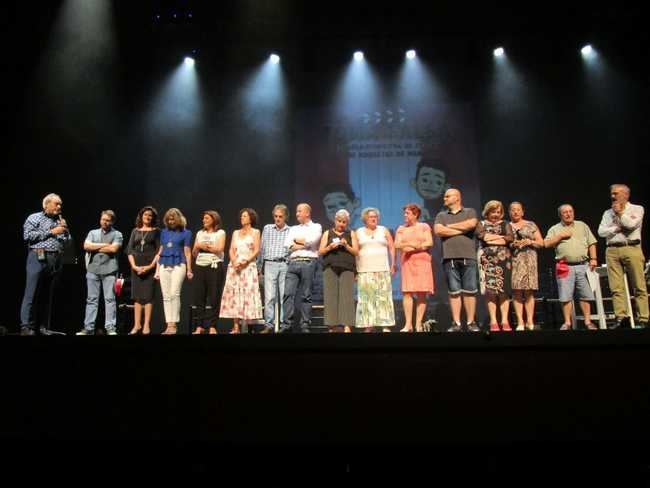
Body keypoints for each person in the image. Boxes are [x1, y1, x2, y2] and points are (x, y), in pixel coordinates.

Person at [597, 184, 648, 328]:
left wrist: (620, 214)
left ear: (626, 195)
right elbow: (601, 232)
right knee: (616, 287)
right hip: (612, 250)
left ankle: (643, 319)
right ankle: (621, 318)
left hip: (631, 248)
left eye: (616, 193)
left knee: (639, 285)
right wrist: (615, 228)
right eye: (612, 194)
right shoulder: (607, 213)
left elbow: (631, 225)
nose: (613, 196)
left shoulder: (637, 209)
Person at [20, 193, 70, 335]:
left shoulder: (60, 221)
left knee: (47, 295)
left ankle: (42, 327)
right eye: (56, 204)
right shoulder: (34, 217)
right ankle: (26, 327)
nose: (59, 207)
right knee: (31, 293)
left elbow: (67, 241)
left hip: (55, 259)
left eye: (60, 204)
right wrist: (51, 231)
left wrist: (65, 231)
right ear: (46, 204)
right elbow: (27, 236)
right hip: (38, 256)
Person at [544, 204, 598, 330]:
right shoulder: (555, 229)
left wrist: (594, 258)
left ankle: (588, 322)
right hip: (564, 266)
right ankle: (567, 323)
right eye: (565, 212)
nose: (568, 214)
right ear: (560, 215)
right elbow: (546, 244)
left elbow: (592, 242)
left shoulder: (582, 225)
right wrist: (560, 236)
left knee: (585, 294)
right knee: (565, 295)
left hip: (582, 265)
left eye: (570, 211)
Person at [433, 188, 479, 332]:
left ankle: (471, 322)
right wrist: (462, 229)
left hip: (468, 255)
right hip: (449, 257)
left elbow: (472, 224)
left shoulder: (469, 212)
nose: (444, 198)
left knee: (470, 290)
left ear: (457, 198)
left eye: (448, 196)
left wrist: (449, 227)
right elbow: (438, 230)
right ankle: (456, 323)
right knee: (454, 292)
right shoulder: (441, 215)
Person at [76, 210, 123, 335]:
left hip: (110, 270)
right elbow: (86, 246)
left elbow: (113, 249)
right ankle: (88, 328)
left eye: (108, 220)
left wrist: (95, 246)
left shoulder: (117, 234)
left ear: (112, 221)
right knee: (91, 299)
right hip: (93, 269)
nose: (105, 222)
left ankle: (110, 328)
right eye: (103, 219)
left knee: (110, 299)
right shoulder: (93, 232)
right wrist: (103, 245)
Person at [279, 203, 322, 333]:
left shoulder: (316, 226)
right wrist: (303, 243)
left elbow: (312, 241)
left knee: (306, 295)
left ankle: (305, 324)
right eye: (297, 211)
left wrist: (298, 242)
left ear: (307, 213)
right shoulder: (293, 228)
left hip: (308, 262)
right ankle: (287, 324)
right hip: (293, 263)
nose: (297, 214)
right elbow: (287, 245)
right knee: (288, 294)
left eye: (299, 211)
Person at [219, 208, 263, 334]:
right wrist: (234, 262)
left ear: (251, 218)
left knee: (247, 294)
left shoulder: (255, 232)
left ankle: (248, 327)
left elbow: (256, 250)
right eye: (241, 216)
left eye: (244, 216)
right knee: (235, 295)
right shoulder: (235, 232)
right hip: (235, 267)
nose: (241, 218)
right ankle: (236, 327)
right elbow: (231, 249)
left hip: (248, 267)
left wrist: (246, 261)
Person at [355, 207, 396, 332]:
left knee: (384, 297)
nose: (374, 218)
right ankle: (368, 325)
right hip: (364, 270)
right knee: (366, 298)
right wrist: (355, 270)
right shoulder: (359, 232)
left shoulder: (384, 230)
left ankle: (385, 325)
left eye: (375, 216)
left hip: (382, 269)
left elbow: (392, 248)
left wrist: (393, 264)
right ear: (365, 219)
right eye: (371, 217)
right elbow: (355, 251)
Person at [395, 203, 434, 332]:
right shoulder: (401, 228)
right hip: (407, 262)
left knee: (421, 293)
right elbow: (398, 245)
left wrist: (411, 246)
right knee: (407, 292)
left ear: (415, 214)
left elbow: (429, 242)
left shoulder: (424, 226)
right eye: (404, 213)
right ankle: (408, 324)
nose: (404, 215)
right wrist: (415, 245)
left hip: (423, 262)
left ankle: (418, 324)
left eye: (407, 213)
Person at [319, 209, 359, 333]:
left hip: (347, 267)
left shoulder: (351, 233)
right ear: (335, 220)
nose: (341, 224)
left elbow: (356, 252)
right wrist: (330, 247)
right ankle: (332, 326)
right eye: (339, 221)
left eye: (344, 222)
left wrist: (346, 245)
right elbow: (320, 251)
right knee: (330, 295)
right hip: (330, 266)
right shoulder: (327, 233)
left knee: (347, 296)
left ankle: (347, 325)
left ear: (347, 222)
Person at [476, 201, 514, 332]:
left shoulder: (506, 224)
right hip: (486, 260)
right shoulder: (481, 224)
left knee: (504, 291)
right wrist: (500, 239)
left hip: (504, 260)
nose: (496, 215)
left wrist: (492, 239)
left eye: (498, 212)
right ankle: (493, 321)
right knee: (490, 292)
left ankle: (504, 321)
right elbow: (482, 237)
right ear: (487, 212)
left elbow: (510, 238)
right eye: (493, 212)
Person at [155, 208, 193, 335]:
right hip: (164, 263)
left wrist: (189, 269)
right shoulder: (164, 232)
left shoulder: (186, 233)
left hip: (179, 263)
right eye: (168, 219)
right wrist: (156, 270)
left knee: (174, 293)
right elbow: (160, 251)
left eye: (173, 218)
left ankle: (174, 324)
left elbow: (187, 252)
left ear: (178, 219)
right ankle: (168, 324)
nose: (171, 221)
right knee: (166, 296)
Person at [509, 202, 544, 331]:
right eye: (513, 210)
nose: (516, 212)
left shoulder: (531, 224)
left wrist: (530, 241)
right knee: (516, 291)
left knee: (529, 292)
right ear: (509, 212)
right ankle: (520, 322)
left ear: (522, 212)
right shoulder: (507, 226)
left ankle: (530, 321)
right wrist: (513, 244)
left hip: (529, 259)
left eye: (518, 210)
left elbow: (542, 242)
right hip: (514, 260)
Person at [126, 206, 161, 335]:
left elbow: (159, 251)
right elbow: (129, 250)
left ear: (153, 218)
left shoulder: (156, 231)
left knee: (148, 297)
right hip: (136, 267)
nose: (148, 217)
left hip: (150, 267)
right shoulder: (135, 231)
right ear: (141, 216)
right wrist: (134, 266)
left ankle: (146, 325)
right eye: (145, 214)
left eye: (150, 215)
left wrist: (150, 266)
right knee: (137, 297)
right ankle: (137, 325)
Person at [191, 210, 226, 334]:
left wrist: (203, 246)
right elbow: (194, 253)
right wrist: (198, 246)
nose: (204, 220)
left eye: (206, 218)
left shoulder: (220, 233)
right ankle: (199, 326)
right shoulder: (199, 233)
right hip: (200, 265)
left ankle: (212, 326)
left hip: (214, 266)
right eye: (203, 218)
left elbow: (219, 248)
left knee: (214, 296)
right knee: (199, 297)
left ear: (213, 220)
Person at [258, 204, 291, 333]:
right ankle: (269, 325)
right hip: (270, 264)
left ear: (285, 217)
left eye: (280, 216)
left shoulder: (290, 230)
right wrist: (259, 266)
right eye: (276, 216)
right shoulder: (267, 228)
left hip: (284, 264)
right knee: (270, 296)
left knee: (283, 296)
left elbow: (292, 248)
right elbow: (262, 248)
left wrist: (288, 261)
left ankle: (283, 325)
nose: (277, 219)